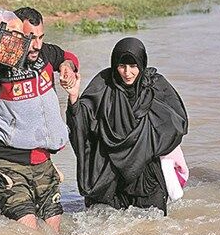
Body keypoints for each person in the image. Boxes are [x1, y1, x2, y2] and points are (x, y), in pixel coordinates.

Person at [0, 6, 79, 232]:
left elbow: (67, 57)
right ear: (15, 37)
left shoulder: (44, 54)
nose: (36, 45)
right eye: (30, 38)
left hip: (43, 163)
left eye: (40, 37)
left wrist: (67, 67)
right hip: (8, 163)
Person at [66, 37, 188, 216]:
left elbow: (176, 122)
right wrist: (73, 98)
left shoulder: (155, 85)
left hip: (147, 177)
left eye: (133, 66)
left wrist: (148, 140)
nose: (127, 72)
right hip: (110, 177)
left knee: (153, 226)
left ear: (142, 64)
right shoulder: (103, 84)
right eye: (122, 66)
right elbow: (83, 122)